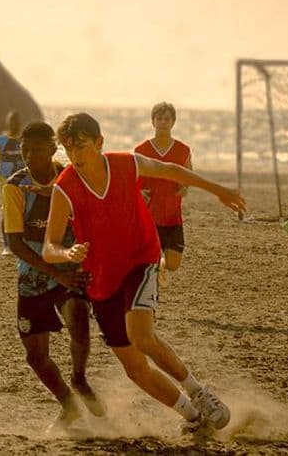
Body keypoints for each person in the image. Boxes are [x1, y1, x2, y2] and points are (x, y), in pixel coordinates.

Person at [42, 113, 246, 433]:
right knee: (135, 369)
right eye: (68, 149)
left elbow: (170, 170)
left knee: (142, 336)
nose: (75, 156)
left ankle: (199, 392)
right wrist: (66, 253)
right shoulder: (65, 186)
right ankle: (193, 418)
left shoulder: (125, 164)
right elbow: (48, 246)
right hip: (102, 281)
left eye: (81, 146)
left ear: (99, 143)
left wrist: (216, 189)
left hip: (142, 259)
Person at [2, 121, 104, 429]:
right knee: (35, 357)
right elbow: (15, 243)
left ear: (53, 148)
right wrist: (50, 272)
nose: (31, 155)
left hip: (67, 265)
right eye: (25, 150)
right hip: (33, 275)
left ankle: (79, 378)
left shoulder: (70, 176)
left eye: (38, 149)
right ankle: (68, 403)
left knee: (80, 320)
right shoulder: (14, 186)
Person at [134, 102, 191, 287]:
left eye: (167, 119)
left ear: (173, 122)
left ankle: (162, 267)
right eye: (159, 118)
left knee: (174, 264)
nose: (163, 122)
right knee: (147, 260)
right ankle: (150, 282)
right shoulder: (141, 150)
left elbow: (189, 174)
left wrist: (185, 187)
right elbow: (133, 179)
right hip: (149, 216)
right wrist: (139, 191)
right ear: (153, 121)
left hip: (173, 217)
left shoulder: (183, 150)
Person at [0, 110, 25, 255]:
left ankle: (23, 243)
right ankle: (7, 245)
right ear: (7, 123)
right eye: (12, 121)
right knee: (7, 213)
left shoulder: (25, 140)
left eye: (17, 121)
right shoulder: (0, 141)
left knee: (25, 211)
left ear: (20, 123)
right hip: (7, 183)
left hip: (25, 182)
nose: (14, 124)